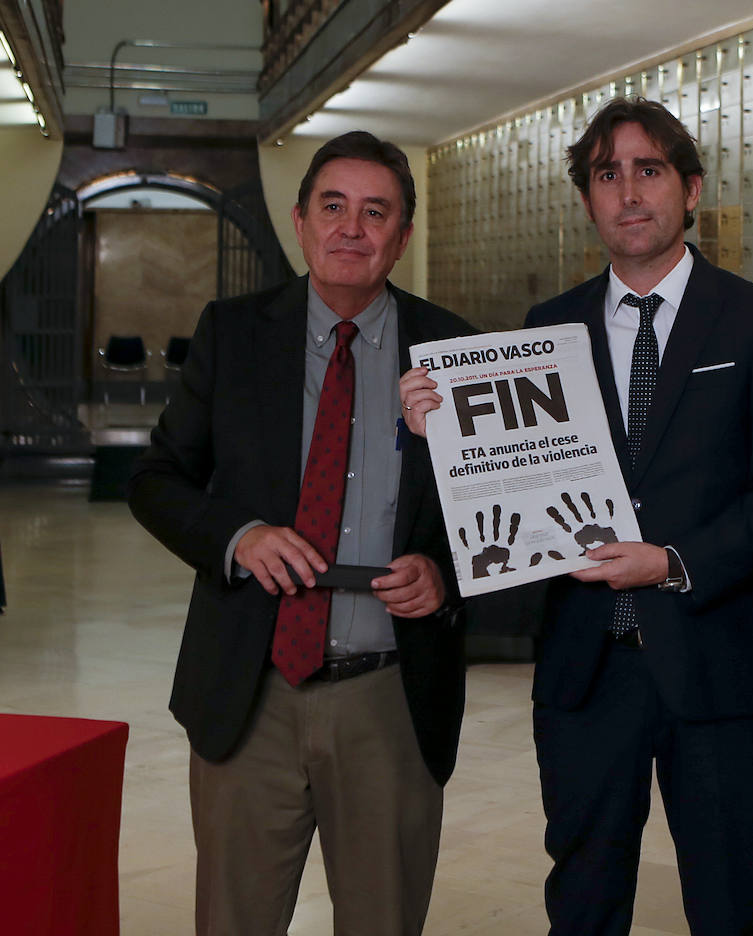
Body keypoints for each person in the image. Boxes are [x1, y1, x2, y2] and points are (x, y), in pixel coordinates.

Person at [404, 96, 753, 934]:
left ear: (691, 189)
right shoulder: (544, 330)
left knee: (730, 898)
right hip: (585, 674)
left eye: (650, 170)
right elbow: (505, 494)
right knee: (585, 900)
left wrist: (670, 561)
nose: (629, 192)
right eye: (607, 174)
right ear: (588, 197)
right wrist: (434, 429)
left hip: (716, 666)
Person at [129, 130, 476, 935]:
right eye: (333, 206)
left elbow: (505, 513)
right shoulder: (234, 333)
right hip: (251, 692)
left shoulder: (458, 350)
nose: (351, 227)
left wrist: (445, 576)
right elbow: (156, 480)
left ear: (403, 236)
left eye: (375, 211)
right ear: (300, 221)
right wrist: (239, 534)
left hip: (390, 695)